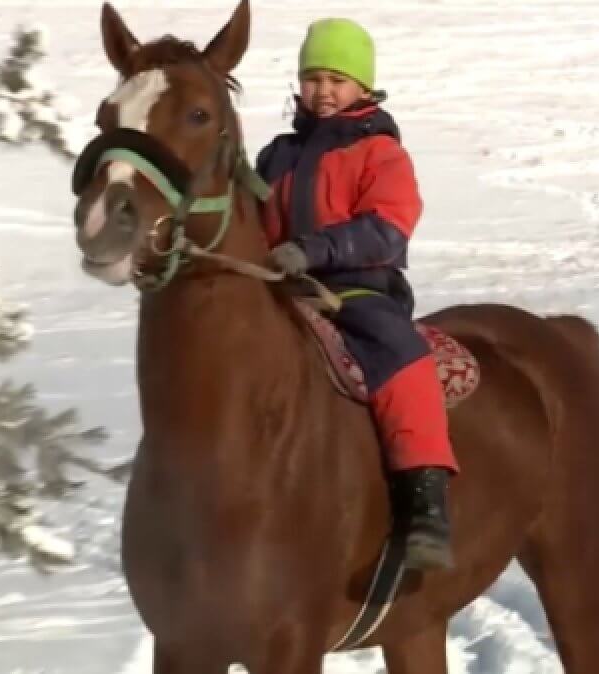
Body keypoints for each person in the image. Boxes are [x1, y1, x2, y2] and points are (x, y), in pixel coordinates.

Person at [256, 17, 457, 570]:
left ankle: (424, 500)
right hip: (281, 287)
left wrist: (315, 250)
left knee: (402, 355)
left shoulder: (380, 153)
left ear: (363, 87)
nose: (322, 92)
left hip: (359, 289)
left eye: (336, 80)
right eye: (313, 78)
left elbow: (388, 226)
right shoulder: (278, 155)